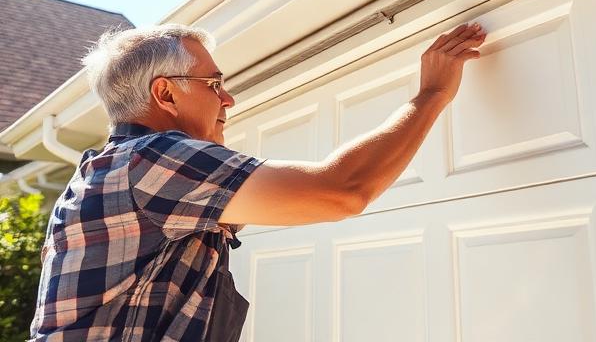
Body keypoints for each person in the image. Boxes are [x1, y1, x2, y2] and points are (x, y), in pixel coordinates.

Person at [29, 21, 486, 341]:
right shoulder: (151, 161)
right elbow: (342, 190)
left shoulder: (120, 170)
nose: (227, 98)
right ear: (165, 93)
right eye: (213, 83)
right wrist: (431, 95)